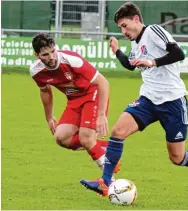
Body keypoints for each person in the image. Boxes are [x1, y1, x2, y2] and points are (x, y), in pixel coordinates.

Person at [80, 2, 188, 196]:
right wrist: (117, 51)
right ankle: (105, 182)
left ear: (136, 19)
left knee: (177, 157)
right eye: (120, 28)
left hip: (173, 101)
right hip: (148, 100)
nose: (123, 31)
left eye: (125, 26)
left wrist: (152, 61)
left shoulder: (153, 31)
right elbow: (131, 65)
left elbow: (178, 53)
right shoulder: (135, 43)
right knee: (118, 131)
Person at [30, 33, 120, 174]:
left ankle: (108, 181)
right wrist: (49, 117)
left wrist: (101, 115)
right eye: (45, 54)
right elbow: (45, 91)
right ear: (37, 55)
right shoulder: (36, 71)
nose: (52, 57)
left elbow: (103, 83)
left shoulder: (71, 60)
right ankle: (107, 147)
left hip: (92, 94)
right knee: (61, 138)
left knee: (86, 138)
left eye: (53, 51)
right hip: (74, 101)